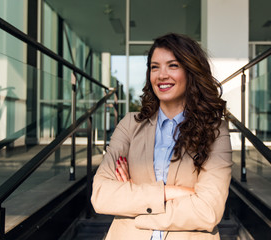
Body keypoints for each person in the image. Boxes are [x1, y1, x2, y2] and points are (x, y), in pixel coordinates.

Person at [91, 33, 233, 240]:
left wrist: (136, 204)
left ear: (191, 71)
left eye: (173, 65)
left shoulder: (215, 131)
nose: (161, 75)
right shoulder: (130, 125)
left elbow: (207, 211)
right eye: (155, 67)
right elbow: (101, 195)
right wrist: (173, 192)